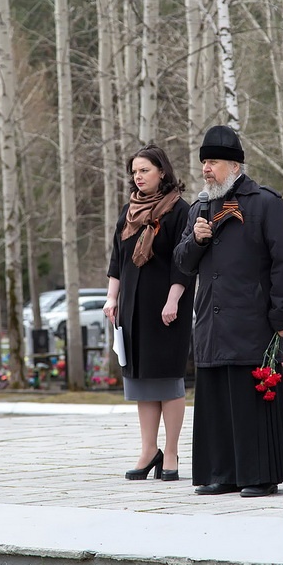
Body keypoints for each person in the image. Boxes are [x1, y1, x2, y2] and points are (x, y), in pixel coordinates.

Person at [174, 125, 283, 498]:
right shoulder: (199, 207)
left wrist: (281, 316)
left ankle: (260, 475)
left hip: (253, 321)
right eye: (203, 163)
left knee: (250, 402)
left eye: (212, 162)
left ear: (235, 165)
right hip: (211, 323)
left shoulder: (264, 203)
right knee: (215, 403)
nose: (206, 169)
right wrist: (196, 240)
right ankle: (222, 472)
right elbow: (181, 263)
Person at [104, 145, 196, 480]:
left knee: (168, 379)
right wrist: (111, 299)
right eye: (134, 172)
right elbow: (117, 260)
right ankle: (148, 450)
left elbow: (183, 263)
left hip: (167, 307)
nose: (138, 177)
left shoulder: (179, 211)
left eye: (144, 170)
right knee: (141, 380)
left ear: (162, 172)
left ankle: (170, 452)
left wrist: (173, 300)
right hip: (132, 307)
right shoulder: (129, 212)